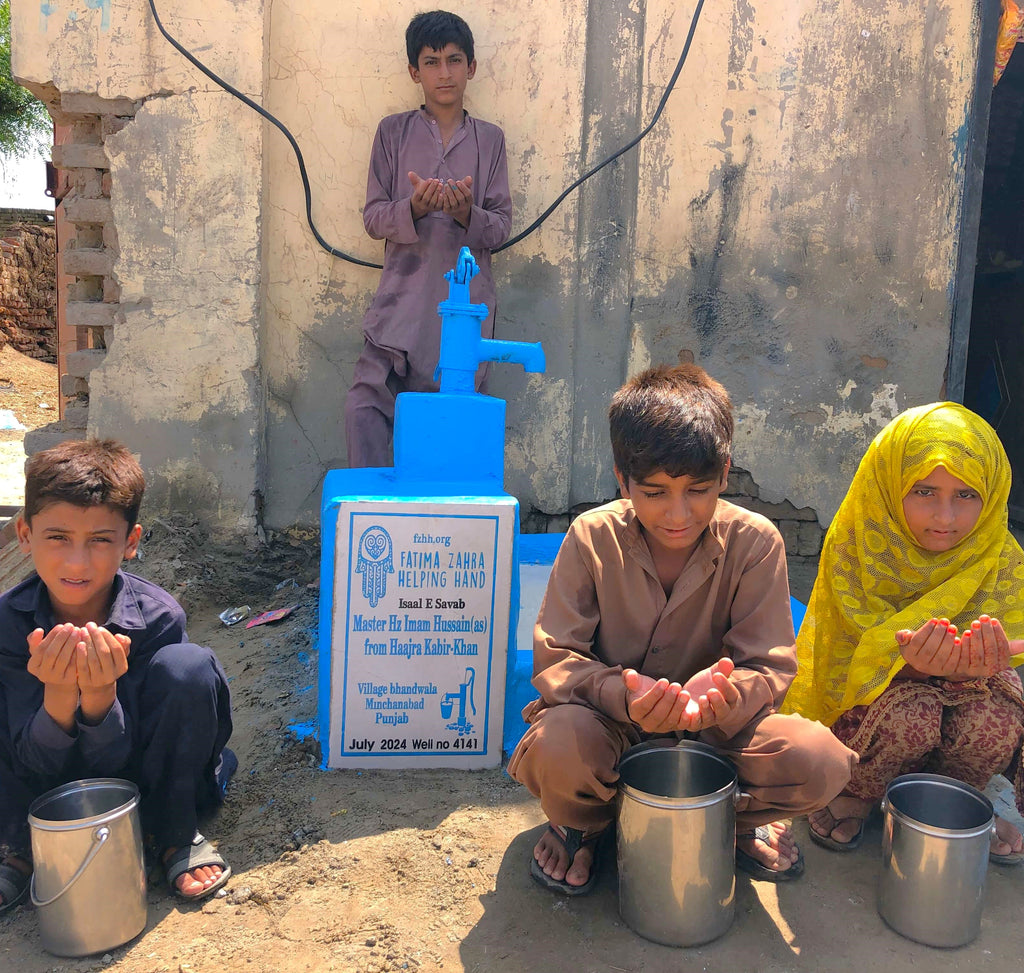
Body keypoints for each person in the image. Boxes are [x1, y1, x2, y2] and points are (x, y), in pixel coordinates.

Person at [508, 364, 857, 894]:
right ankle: (581, 823)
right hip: (608, 730)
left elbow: (768, 664)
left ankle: (727, 823)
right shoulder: (591, 538)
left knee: (819, 760)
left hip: (716, 739)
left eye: (698, 489)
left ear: (724, 473)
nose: (678, 514)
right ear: (622, 481)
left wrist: (721, 699)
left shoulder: (756, 542)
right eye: (654, 492)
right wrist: (624, 696)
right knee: (560, 744)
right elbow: (559, 658)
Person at [0, 440, 236, 913]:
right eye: (58, 537)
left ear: (131, 542)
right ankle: (18, 844)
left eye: (100, 540)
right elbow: (34, 761)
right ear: (24, 534)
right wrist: (59, 697)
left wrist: (101, 697)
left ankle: (173, 834)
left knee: (188, 667)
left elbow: (119, 759)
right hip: (40, 783)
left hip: (141, 779)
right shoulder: (8, 623)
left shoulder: (156, 619)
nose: (77, 563)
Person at [782, 403, 1024, 862]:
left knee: (1000, 712)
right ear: (890, 484)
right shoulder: (859, 544)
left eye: (967, 495)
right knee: (910, 715)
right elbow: (839, 660)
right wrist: (905, 669)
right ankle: (858, 793)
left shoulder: (1000, 556)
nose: (945, 517)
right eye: (925, 491)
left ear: (992, 496)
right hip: (873, 715)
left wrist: (980, 669)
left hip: (957, 711)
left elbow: (1007, 645)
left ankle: (958, 800)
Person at [344, 9, 512, 468]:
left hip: (462, 310)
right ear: (415, 71)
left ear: (471, 68)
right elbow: (374, 217)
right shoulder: (392, 133)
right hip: (401, 303)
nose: (445, 73)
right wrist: (414, 208)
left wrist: (465, 215)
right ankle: (376, 519)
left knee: (449, 428)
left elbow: (499, 226)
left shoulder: (489, 140)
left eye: (455, 60)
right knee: (365, 407)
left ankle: (436, 534)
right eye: (432, 62)